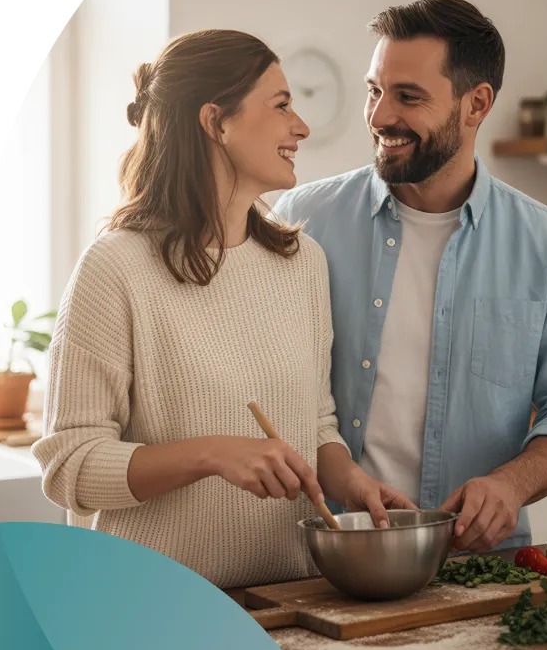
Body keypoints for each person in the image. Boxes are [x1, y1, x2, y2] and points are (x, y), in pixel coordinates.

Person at [32, 29, 416, 589]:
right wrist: (211, 455)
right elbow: (70, 466)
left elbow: (314, 424)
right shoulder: (115, 268)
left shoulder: (302, 262)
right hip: (153, 604)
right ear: (216, 122)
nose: (301, 127)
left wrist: (352, 482)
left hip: (289, 597)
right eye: (281, 105)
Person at [272, 0, 547, 554]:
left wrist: (511, 485)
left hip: (480, 566)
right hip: (327, 561)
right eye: (375, 90)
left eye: (408, 97)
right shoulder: (300, 221)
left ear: (476, 104)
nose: (380, 116)